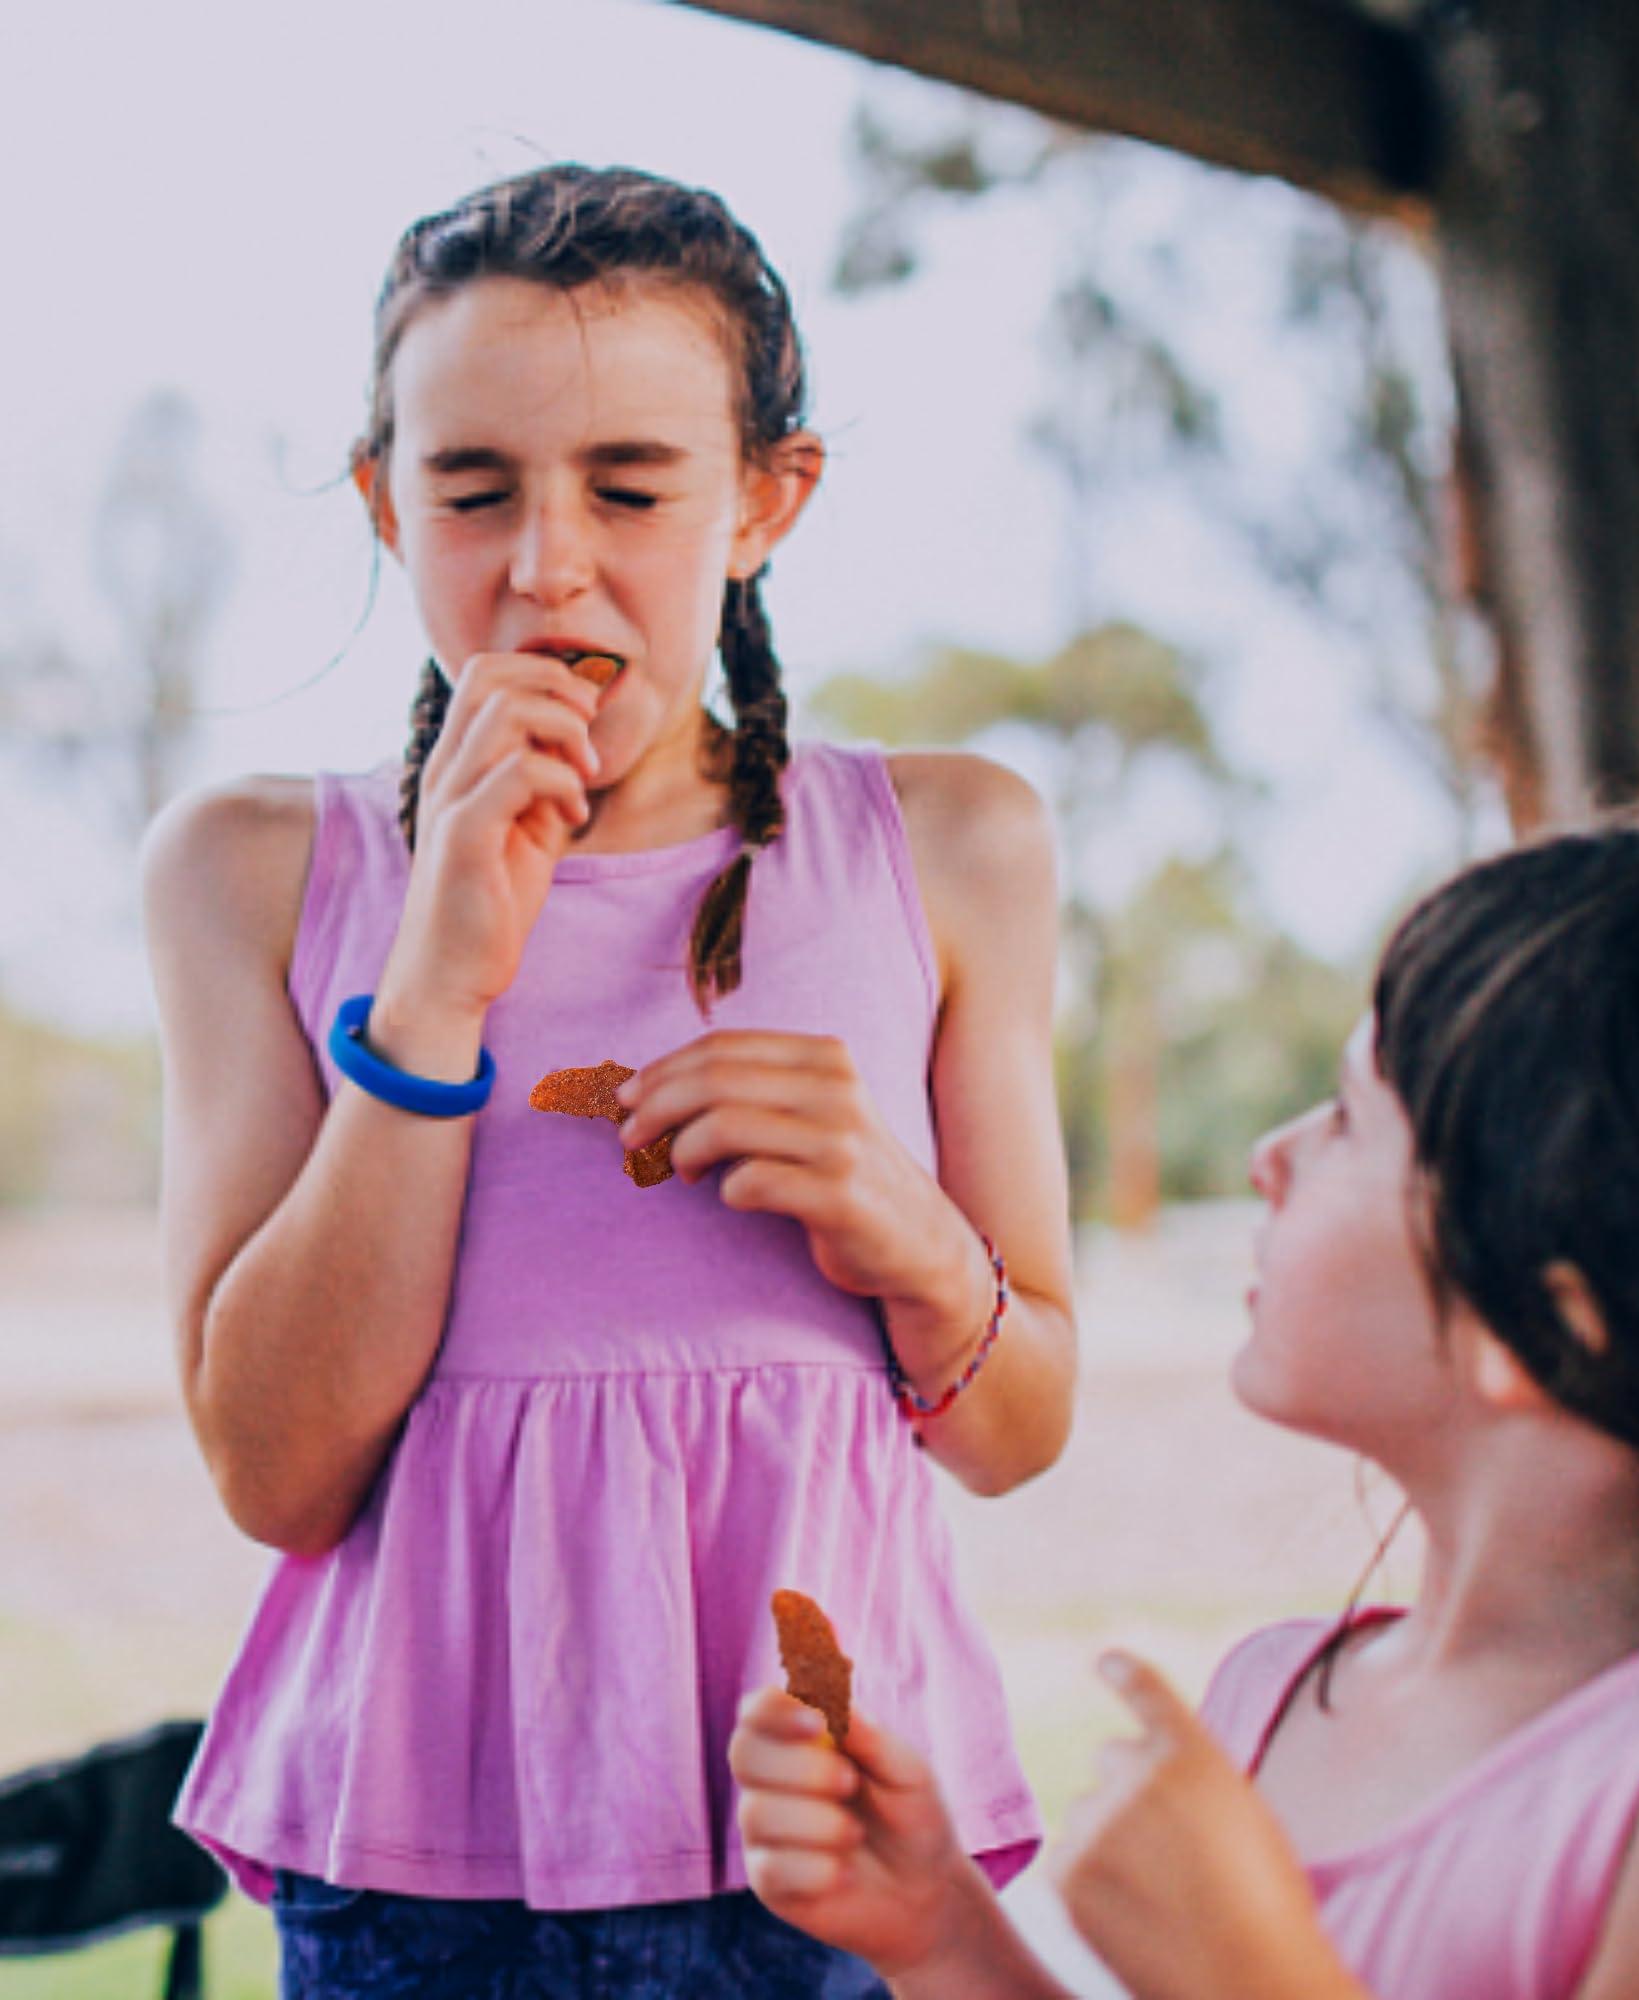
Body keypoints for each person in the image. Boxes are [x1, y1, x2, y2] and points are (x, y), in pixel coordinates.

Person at [141, 162, 1075, 1998]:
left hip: (823, 1828)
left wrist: (910, 1229)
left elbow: (1012, 1431)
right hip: (417, 1854)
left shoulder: (951, 843)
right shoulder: (250, 870)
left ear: (764, 500)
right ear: (382, 506)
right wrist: (437, 981)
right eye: (469, 491)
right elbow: (275, 1472)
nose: (546, 564)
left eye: (632, 488)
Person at [731, 826, 1639, 2000]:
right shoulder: (1274, 1690)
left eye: (1348, 1115)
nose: (1266, 1154)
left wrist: (1254, 1973)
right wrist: (946, 1933)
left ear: (1541, 1327)